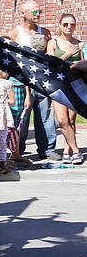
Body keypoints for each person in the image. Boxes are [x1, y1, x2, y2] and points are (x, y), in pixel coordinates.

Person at [8, 1, 58, 160]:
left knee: (45, 114)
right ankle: (18, 150)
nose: (38, 15)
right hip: (22, 82)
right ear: (23, 13)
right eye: (34, 12)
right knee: (22, 115)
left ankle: (47, 149)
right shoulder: (15, 33)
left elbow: (50, 56)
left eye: (40, 12)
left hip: (42, 81)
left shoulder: (45, 32)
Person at [48, 13, 82, 164]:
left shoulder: (79, 44)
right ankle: (76, 150)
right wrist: (68, 54)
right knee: (62, 120)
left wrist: (77, 64)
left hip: (75, 85)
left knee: (72, 119)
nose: (69, 27)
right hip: (57, 86)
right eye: (66, 24)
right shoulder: (53, 42)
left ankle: (68, 151)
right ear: (60, 25)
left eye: (72, 25)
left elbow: (83, 63)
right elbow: (49, 63)